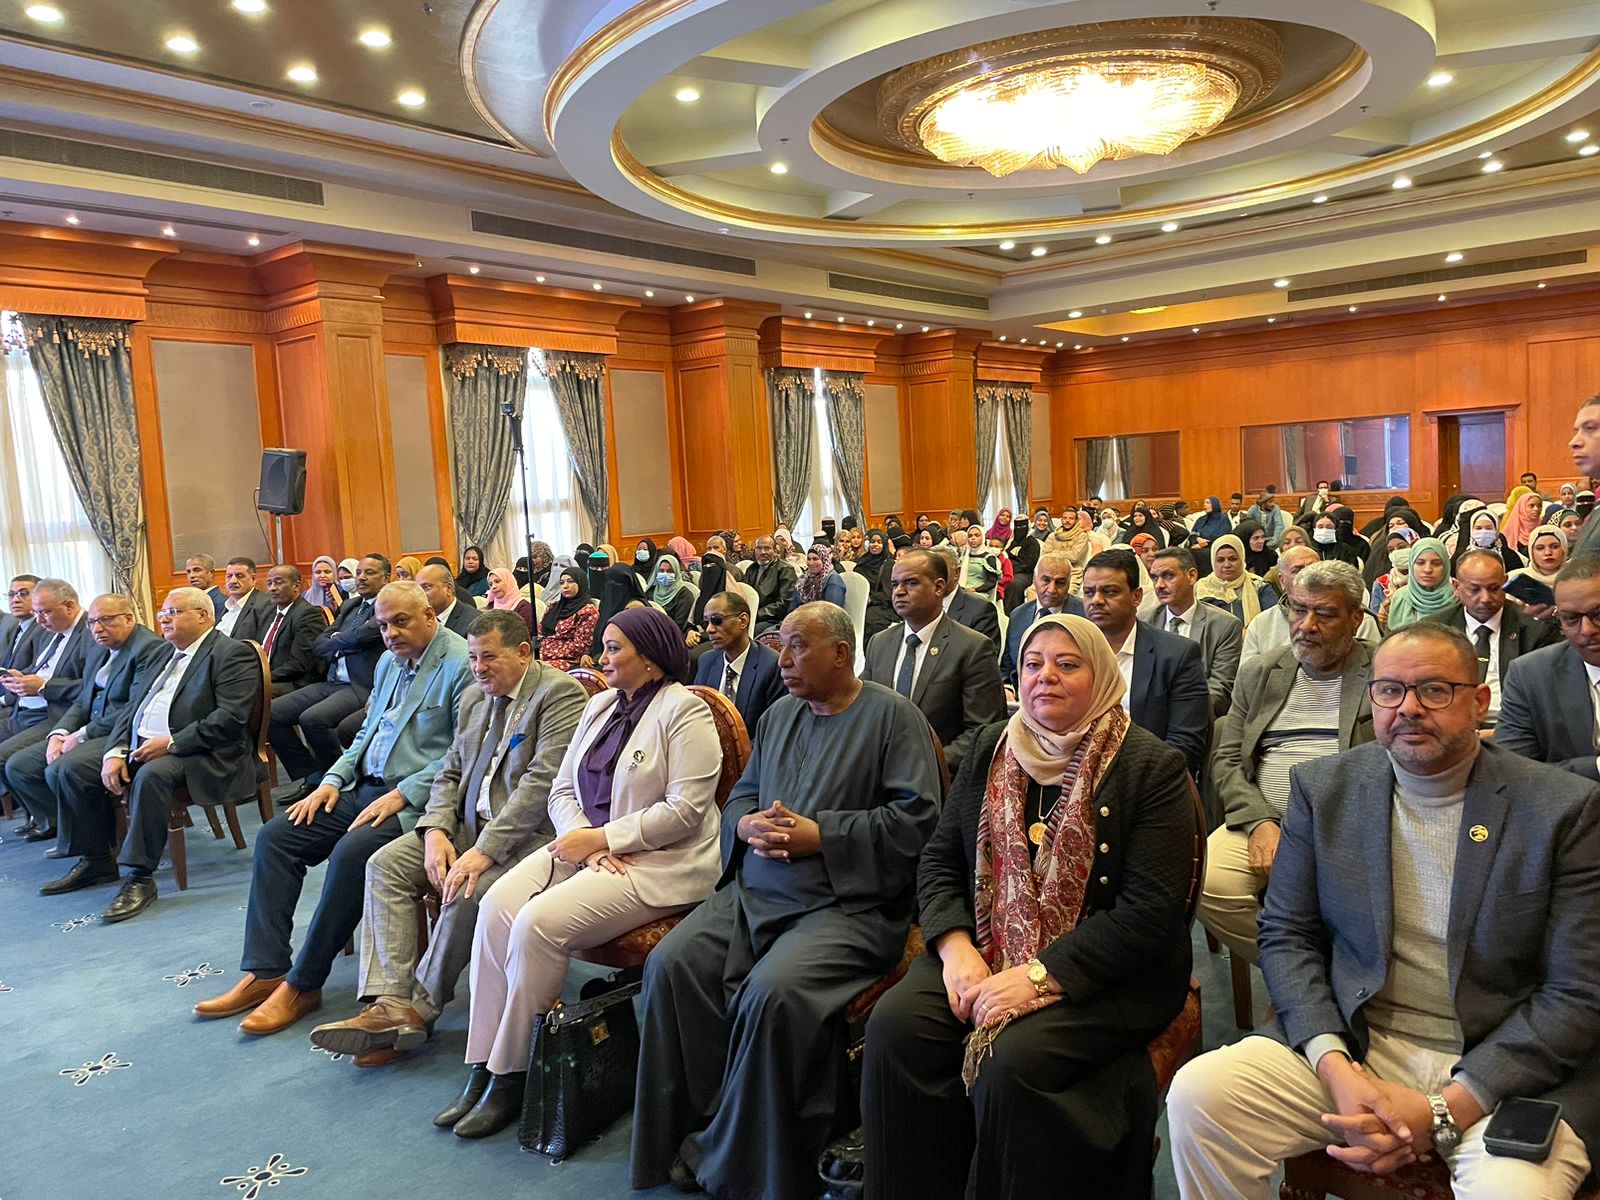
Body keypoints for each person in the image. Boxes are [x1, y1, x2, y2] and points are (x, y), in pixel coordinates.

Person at [1169, 622, 1600, 1200]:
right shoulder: (1325, 788)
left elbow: (1577, 992)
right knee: (1202, 1095)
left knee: (1515, 1190)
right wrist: (1335, 1066)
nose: (1409, 708)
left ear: (1480, 702)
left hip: (1502, 1068)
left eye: (1435, 690)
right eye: (1389, 690)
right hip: (1360, 1043)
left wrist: (1446, 1110)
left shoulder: (1562, 808)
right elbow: (1288, 936)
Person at [860, 613, 1195, 1199]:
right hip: (987, 946)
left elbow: (1150, 914)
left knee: (1010, 1059)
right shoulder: (994, 745)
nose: (1047, 677)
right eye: (1033, 664)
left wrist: (1041, 976)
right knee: (897, 1026)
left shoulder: (1149, 766)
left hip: (1107, 972)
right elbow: (939, 859)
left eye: (1068, 664)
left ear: (1103, 675)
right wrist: (955, 948)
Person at [631, 602, 941, 1199]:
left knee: (773, 994)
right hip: (758, 891)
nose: (784, 660)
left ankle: (738, 1158)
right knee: (670, 964)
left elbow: (916, 823)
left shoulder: (893, 718)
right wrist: (746, 825)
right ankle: (701, 1123)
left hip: (848, 903)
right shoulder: (777, 715)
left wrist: (822, 835)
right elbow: (741, 797)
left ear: (842, 654)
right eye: (782, 647)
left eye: (799, 646)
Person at [438, 607, 722, 1138]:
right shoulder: (599, 705)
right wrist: (585, 843)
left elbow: (686, 811)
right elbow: (561, 789)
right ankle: (483, 1063)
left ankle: (514, 1072)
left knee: (536, 924)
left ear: (651, 657)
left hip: (658, 862)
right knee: (495, 905)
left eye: (614, 648)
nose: (602, 657)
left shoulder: (686, 711)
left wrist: (604, 839)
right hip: (587, 848)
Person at [307, 610, 587, 1067]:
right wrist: (435, 829)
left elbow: (540, 787)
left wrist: (483, 852)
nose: (478, 668)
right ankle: (388, 1002)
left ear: (523, 653)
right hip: (465, 823)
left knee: (463, 887)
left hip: (531, 837)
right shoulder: (475, 697)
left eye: (489, 657)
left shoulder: (558, 694)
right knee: (384, 864)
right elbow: (449, 771)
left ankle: (419, 1009)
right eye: (473, 657)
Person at [196, 582, 470, 1034]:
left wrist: (405, 792)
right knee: (277, 836)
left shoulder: (460, 663)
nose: (391, 633)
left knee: (350, 854)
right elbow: (365, 735)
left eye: (401, 622)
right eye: (383, 625)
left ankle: (303, 983)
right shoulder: (388, 662)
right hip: (363, 787)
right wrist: (330, 780)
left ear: (429, 615)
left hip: (416, 802)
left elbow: (464, 752)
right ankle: (266, 970)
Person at [46, 587, 260, 921]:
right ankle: (97, 860)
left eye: (174, 612)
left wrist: (172, 742)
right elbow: (131, 709)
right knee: (72, 768)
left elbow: (230, 719)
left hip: (201, 751)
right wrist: (115, 751)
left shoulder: (230, 653)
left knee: (152, 775)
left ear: (203, 616)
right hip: (143, 744)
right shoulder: (163, 652)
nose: (164, 619)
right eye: (163, 613)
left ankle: (139, 877)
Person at [1200, 560, 1375, 963]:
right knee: (1210, 883)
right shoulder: (1261, 672)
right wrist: (1259, 821)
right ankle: (1303, 968)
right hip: (1266, 819)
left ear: (1355, 620)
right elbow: (1228, 757)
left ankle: (1323, 973)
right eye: (1298, 609)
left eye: (1324, 614)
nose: (1306, 625)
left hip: (1350, 823)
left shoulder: (1383, 671)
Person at [6, 595, 164, 860]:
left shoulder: (149, 648)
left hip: (121, 732)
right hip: (92, 726)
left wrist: (81, 735)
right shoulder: (100, 647)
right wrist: (59, 734)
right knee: (21, 765)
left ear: (129, 618)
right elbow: (83, 700)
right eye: (92, 622)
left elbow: (133, 708)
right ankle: (74, 834)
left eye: (106, 620)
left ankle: (96, 853)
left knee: (65, 768)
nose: (97, 628)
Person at [862, 550, 1006, 779]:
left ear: (939, 587)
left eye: (911, 583)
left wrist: (925, 766)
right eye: (895, 584)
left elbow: (981, 732)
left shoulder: (972, 648)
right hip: (880, 776)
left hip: (940, 780)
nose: (899, 591)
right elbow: (865, 711)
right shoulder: (879, 644)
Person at [268, 554, 391, 795]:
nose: (361, 578)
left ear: (386, 578)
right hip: (332, 681)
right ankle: (313, 774)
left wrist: (338, 640)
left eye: (369, 573)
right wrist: (342, 640)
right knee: (271, 714)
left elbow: (361, 636)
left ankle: (340, 781)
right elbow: (320, 642)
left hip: (361, 685)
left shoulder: (387, 605)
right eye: (359, 573)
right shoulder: (351, 606)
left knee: (313, 719)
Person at [1081, 550, 1209, 777]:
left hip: (1146, 781)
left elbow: (1185, 745)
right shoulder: (1071, 653)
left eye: (1109, 592)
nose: (1096, 600)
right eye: (1089, 592)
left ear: (1136, 597)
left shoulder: (1177, 655)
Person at [0, 577, 94, 839]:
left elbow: (91, 688)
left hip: (58, 715)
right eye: (37, 613)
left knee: (9, 761)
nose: (39, 620)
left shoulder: (90, 633)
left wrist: (43, 687)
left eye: (45, 612)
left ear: (69, 606)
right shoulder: (50, 631)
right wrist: (21, 677)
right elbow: (41, 669)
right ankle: (40, 816)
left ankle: (58, 823)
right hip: (27, 709)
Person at [1425, 548, 1558, 731]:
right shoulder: (1435, 630)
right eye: (1474, 590)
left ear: (1505, 583)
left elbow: (1543, 698)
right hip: (1451, 726)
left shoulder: (1534, 629)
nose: (1485, 598)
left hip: (1513, 728)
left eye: (1494, 588)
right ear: (1456, 587)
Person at [1496, 553, 1600, 779]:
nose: (1587, 630)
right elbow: (1512, 774)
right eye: (1571, 619)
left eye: (1598, 615)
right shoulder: (1529, 676)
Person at [1242, 546, 1379, 667]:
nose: (1307, 626)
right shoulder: (1261, 624)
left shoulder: (1360, 621)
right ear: (1282, 581)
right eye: (1297, 570)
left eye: (1324, 614)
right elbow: (1249, 673)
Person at [1148, 546, 1243, 718]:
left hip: (1197, 718)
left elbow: (1220, 688)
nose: (1159, 585)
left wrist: (1181, 715)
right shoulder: (1145, 621)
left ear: (1191, 576)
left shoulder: (1224, 626)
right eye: (1154, 578)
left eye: (1168, 576)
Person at [692, 590, 787, 734]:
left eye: (717, 620)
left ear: (743, 621)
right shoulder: (706, 661)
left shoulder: (772, 666)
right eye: (707, 622)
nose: (709, 629)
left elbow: (771, 732)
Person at [1001, 551, 1085, 689]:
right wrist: (1008, 689)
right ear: (1034, 580)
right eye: (1046, 580)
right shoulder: (1018, 616)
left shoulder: (1085, 615)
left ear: (1069, 584)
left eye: (1060, 583)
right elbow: (1007, 666)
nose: (1052, 589)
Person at [241, 564, 328, 697]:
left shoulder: (308, 614)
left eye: (278, 582)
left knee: (244, 693)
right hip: (267, 676)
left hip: (293, 682)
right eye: (269, 583)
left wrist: (262, 677)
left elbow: (300, 664)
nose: (272, 588)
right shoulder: (267, 611)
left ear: (296, 586)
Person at [932, 545, 1002, 658]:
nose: (933, 575)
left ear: (956, 573)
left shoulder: (981, 610)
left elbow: (984, 661)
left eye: (940, 569)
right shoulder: (916, 606)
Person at [1195, 534, 1277, 626]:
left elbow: (1273, 620)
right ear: (1213, 562)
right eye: (1220, 560)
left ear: (1242, 559)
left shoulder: (1259, 586)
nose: (1227, 565)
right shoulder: (1200, 588)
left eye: (1233, 559)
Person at [537, 566, 599, 670]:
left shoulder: (587, 611)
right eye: (562, 583)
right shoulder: (554, 607)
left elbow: (580, 647)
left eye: (570, 581)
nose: (565, 586)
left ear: (581, 583)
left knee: (539, 670)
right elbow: (540, 633)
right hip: (542, 655)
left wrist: (546, 653)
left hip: (568, 660)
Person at [1384, 537, 1453, 630]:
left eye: (1436, 563)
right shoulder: (1400, 599)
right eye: (1420, 563)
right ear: (1411, 565)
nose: (1427, 570)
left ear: (1446, 566)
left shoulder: (1458, 598)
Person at [1508, 523, 1568, 617]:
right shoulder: (1515, 578)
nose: (1548, 553)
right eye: (1540, 548)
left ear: (1564, 549)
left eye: (1555, 547)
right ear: (1531, 551)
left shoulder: (1578, 577)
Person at [747, 535, 797, 633]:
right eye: (759, 548)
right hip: (752, 615)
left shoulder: (785, 569)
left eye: (767, 548)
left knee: (752, 631)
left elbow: (784, 603)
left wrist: (756, 615)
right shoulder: (751, 569)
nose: (762, 552)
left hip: (774, 619)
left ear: (774, 550)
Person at [416, 562, 478, 639]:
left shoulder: (473, 623)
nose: (420, 594)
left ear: (448, 589)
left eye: (426, 587)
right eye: (418, 589)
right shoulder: (419, 619)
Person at [215, 557, 272, 637]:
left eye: (239, 576)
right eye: (229, 576)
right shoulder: (225, 605)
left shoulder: (265, 605)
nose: (233, 581)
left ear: (253, 579)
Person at [789, 542, 847, 611]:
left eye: (815, 559)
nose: (811, 563)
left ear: (824, 560)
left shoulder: (833, 580)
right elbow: (792, 607)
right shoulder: (803, 579)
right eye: (808, 559)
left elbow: (832, 611)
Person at [651, 552, 696, 632]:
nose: (665, 574)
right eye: (661, 571)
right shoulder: (650, 592)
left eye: (670, 571)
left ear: (677, 572)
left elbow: (679, 626)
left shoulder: (685, 595)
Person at [484, 566, 533, 633]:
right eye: (490, 584)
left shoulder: (524, 607)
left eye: (497, 581)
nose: (493, 587)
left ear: (508, 582)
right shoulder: (491, 606)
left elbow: (524, 634)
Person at [1502, 487, 1545, 561]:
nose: (1536, 509)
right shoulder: (1511, 527)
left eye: (1539, 506)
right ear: (1522, 507)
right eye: (1531, 506)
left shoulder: (1544, 526)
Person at [185, 553, 228, 618]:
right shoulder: (187, 601)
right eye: (188, 572)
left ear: (211, 573)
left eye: (197, 570)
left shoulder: (224, 603)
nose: (192, 575)